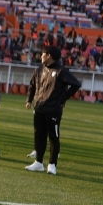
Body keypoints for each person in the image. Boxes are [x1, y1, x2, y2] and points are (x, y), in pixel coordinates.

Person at [25, 45, 81, 175]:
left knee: (53, 137)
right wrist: (30, 100)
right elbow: (33, 86)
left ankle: (52, 164)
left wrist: (62, 98)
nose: (41, 56)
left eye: (43, 54)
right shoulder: (40, 69)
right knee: (40, 136)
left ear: (49, 55)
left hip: (53, 110)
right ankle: (38, 163)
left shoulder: (61, 71)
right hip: (39, 108)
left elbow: (76, 84)